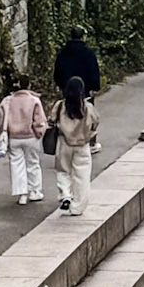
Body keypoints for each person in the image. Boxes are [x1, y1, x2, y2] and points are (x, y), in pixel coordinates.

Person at [0, 74, 47, 207]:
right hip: (31, 137)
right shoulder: (34, 100)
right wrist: (39, 132)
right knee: (33, 163)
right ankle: (35, 191)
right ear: (28, 85)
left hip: (14, 137)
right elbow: (39, 120)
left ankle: (22, 194)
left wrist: (1, 130)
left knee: (16, 164)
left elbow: (1, 121)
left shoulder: (7, 101)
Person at [52, 75, 99, 217]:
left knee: (63, 170)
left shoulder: (60, 105)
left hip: (64, 142)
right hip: (82, 144)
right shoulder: (87, 107)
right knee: (82, 175)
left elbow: (51, 120)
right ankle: (78, 207)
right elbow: (95, 122)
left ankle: (65, 195)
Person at [53, 25, 100, 99]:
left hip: (67, 88)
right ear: (82, 37)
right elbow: (93, 70)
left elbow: (58, 70)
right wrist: (94, 87)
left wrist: (59, 84)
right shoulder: (88, 53)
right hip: (84, 89)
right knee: (85, 105)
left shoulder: (63, 53)